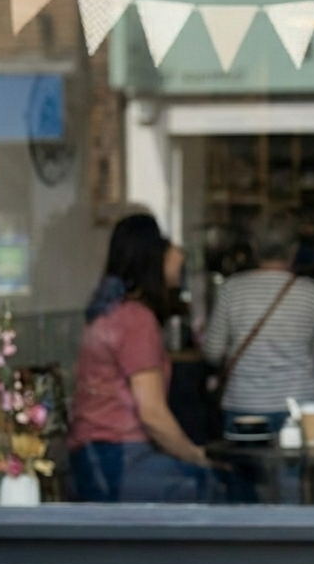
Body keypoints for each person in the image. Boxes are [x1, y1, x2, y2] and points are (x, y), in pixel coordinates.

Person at [69, 214, 217, 503]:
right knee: (214, 488)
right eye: (165, 245)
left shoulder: (106, 311)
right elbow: (152, 415)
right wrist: (196, 456)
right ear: (153, 257)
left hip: (89, 457)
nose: (176, 252)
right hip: (121, 458)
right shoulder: (137, 320)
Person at [202, 211, 314, 503]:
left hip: (243, 403)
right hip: (298, 406)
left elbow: (211, 351)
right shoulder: (312, 293)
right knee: (290, 487)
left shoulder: (231, 290)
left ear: (254, 249)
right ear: (295, 251)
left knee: (241, 489)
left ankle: (244, 546)